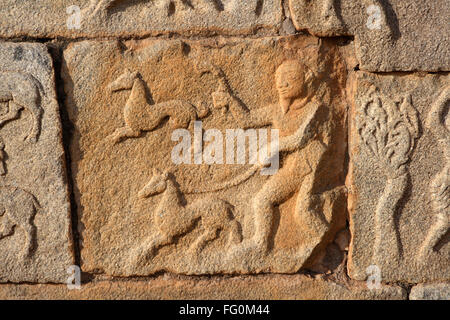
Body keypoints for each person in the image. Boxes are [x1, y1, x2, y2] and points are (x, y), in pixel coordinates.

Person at [212, 59, 329, 255]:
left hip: (314, 166)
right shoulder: (277, 111)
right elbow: (247, 120)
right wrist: (229, 100)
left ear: (306, 80)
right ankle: (261, 244)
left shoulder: (316, 109)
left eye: (290, 78)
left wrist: (272, 148)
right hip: (293, 168)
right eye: (279, 78)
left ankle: (326, 243)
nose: (282, 84)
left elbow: (300, 139)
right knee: (262, 200)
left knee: (304, 212)